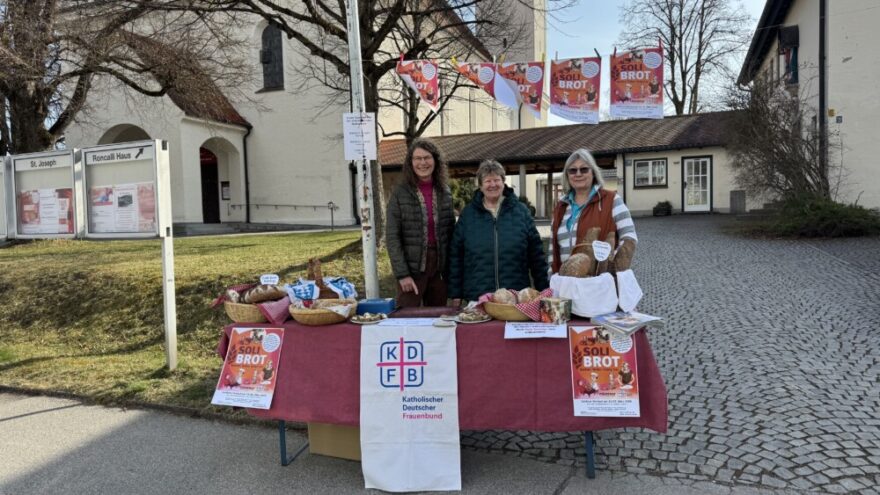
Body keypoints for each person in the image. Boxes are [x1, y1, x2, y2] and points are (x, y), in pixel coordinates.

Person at [448, 160, 549, 304]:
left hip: (515, 297)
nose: (493, 185)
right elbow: (456, 256)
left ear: (503, 182)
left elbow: (537, 255)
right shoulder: (468, 215)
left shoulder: (521, 212)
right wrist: (455, 294)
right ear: (480, 185)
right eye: (488, 181)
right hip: (477, 297)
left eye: (497, 180)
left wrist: (543, 289)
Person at [386, 138, 456, 307]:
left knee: (438, 318)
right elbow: (392, 237)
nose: (422, 163)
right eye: (417, 158)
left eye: (427, 158)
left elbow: (451, 234)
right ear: (411, 162)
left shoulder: (445, 192)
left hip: (439, 271)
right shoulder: (400, 193)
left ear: (435, 160)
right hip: (412, 270)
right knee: (407, 320)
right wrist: (402, 274)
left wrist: (450, 273)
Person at [549, 148, 638, 274]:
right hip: (565, 283)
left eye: (584, 169)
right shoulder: (561, 206)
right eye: (573, 170)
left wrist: (612, 267)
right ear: (567, 175)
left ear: (593, 173)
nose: (578, 174)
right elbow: (553, 249)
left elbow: (629, 237)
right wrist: (551, 277)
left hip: (599, 283)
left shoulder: (611, 200)